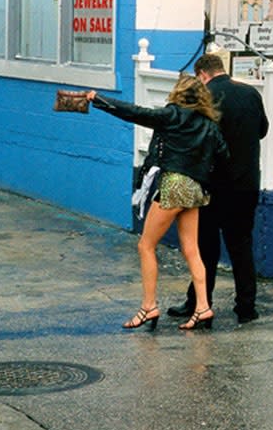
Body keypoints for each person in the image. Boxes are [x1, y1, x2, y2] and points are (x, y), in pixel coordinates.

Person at [85, 76, 228, 331]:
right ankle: (203, 307)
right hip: (195, 188)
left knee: (146, 246)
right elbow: (223, 155)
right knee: (192, 250)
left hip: (173, 184)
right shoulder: (209, 125)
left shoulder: (171, 115)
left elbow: (134, 112)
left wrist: (99, 99)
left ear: (178, 94)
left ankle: (149, 306)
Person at [168, 54, 270, 325]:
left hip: (213, 184)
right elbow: (262, 130)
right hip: (247, 183)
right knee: (241, 246)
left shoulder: (204, 97)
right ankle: (246, 307)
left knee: (205, 248)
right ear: (222, 69)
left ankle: (200, 303)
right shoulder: (251, 93)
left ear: (201, 74)